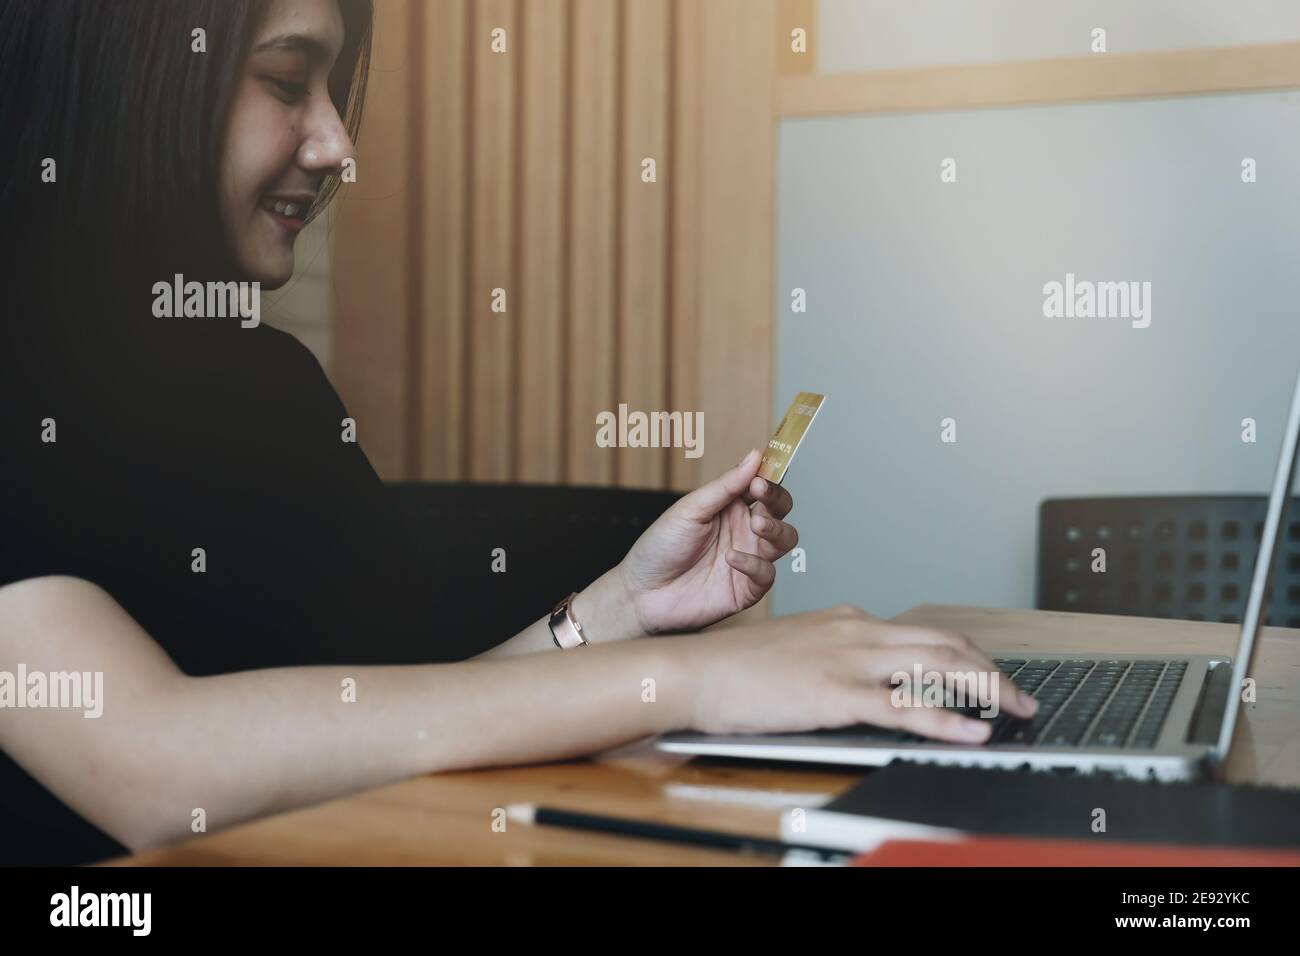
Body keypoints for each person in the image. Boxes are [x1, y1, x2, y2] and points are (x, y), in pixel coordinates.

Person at [0, 0, 1035, 865]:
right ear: (127, 72)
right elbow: (157, 763)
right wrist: (693, 680)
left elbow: (389, 720)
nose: (334, 143)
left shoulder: (268, 382)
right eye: (284, 79)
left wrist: (619, 609)